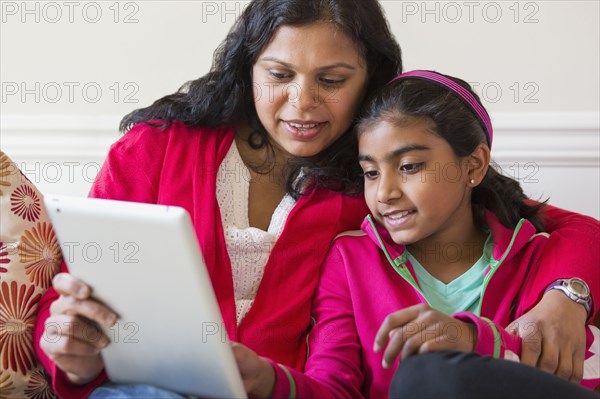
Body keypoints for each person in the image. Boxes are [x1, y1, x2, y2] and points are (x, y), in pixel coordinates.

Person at [32, 0, 598, 396]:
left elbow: (566, 228)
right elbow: (78, 288)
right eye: (278, 74)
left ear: (369, 82)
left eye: (331, 81)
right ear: (247, 67)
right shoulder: (154, 150)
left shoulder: (375, 186)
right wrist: (73, 358)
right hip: (149, 389)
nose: (300, 103)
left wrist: (566, 297)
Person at [232, 70, 600, 398]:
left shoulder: (539, 259)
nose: (385, 192)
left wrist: (473, 340)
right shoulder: (349, 261)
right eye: (371, 173)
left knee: (426, 373)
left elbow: (570, 375)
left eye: (409, 166)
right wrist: (270, 381)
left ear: (473, 165)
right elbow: (334, 386)